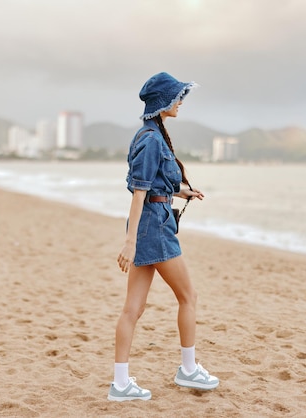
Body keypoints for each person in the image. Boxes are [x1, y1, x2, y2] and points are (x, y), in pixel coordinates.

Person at [108, 72, 219, 402]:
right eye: (177, 97)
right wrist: (130, 243)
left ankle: (121, 383)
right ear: (164, 103)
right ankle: (187, 369)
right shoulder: (152, 140)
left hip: (151, 224)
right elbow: (139, 192)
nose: (181, 102)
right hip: (153, 228)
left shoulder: (151, 134)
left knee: (133, 309)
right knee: (189, 297)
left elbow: (156, 185)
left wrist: (184, 192)